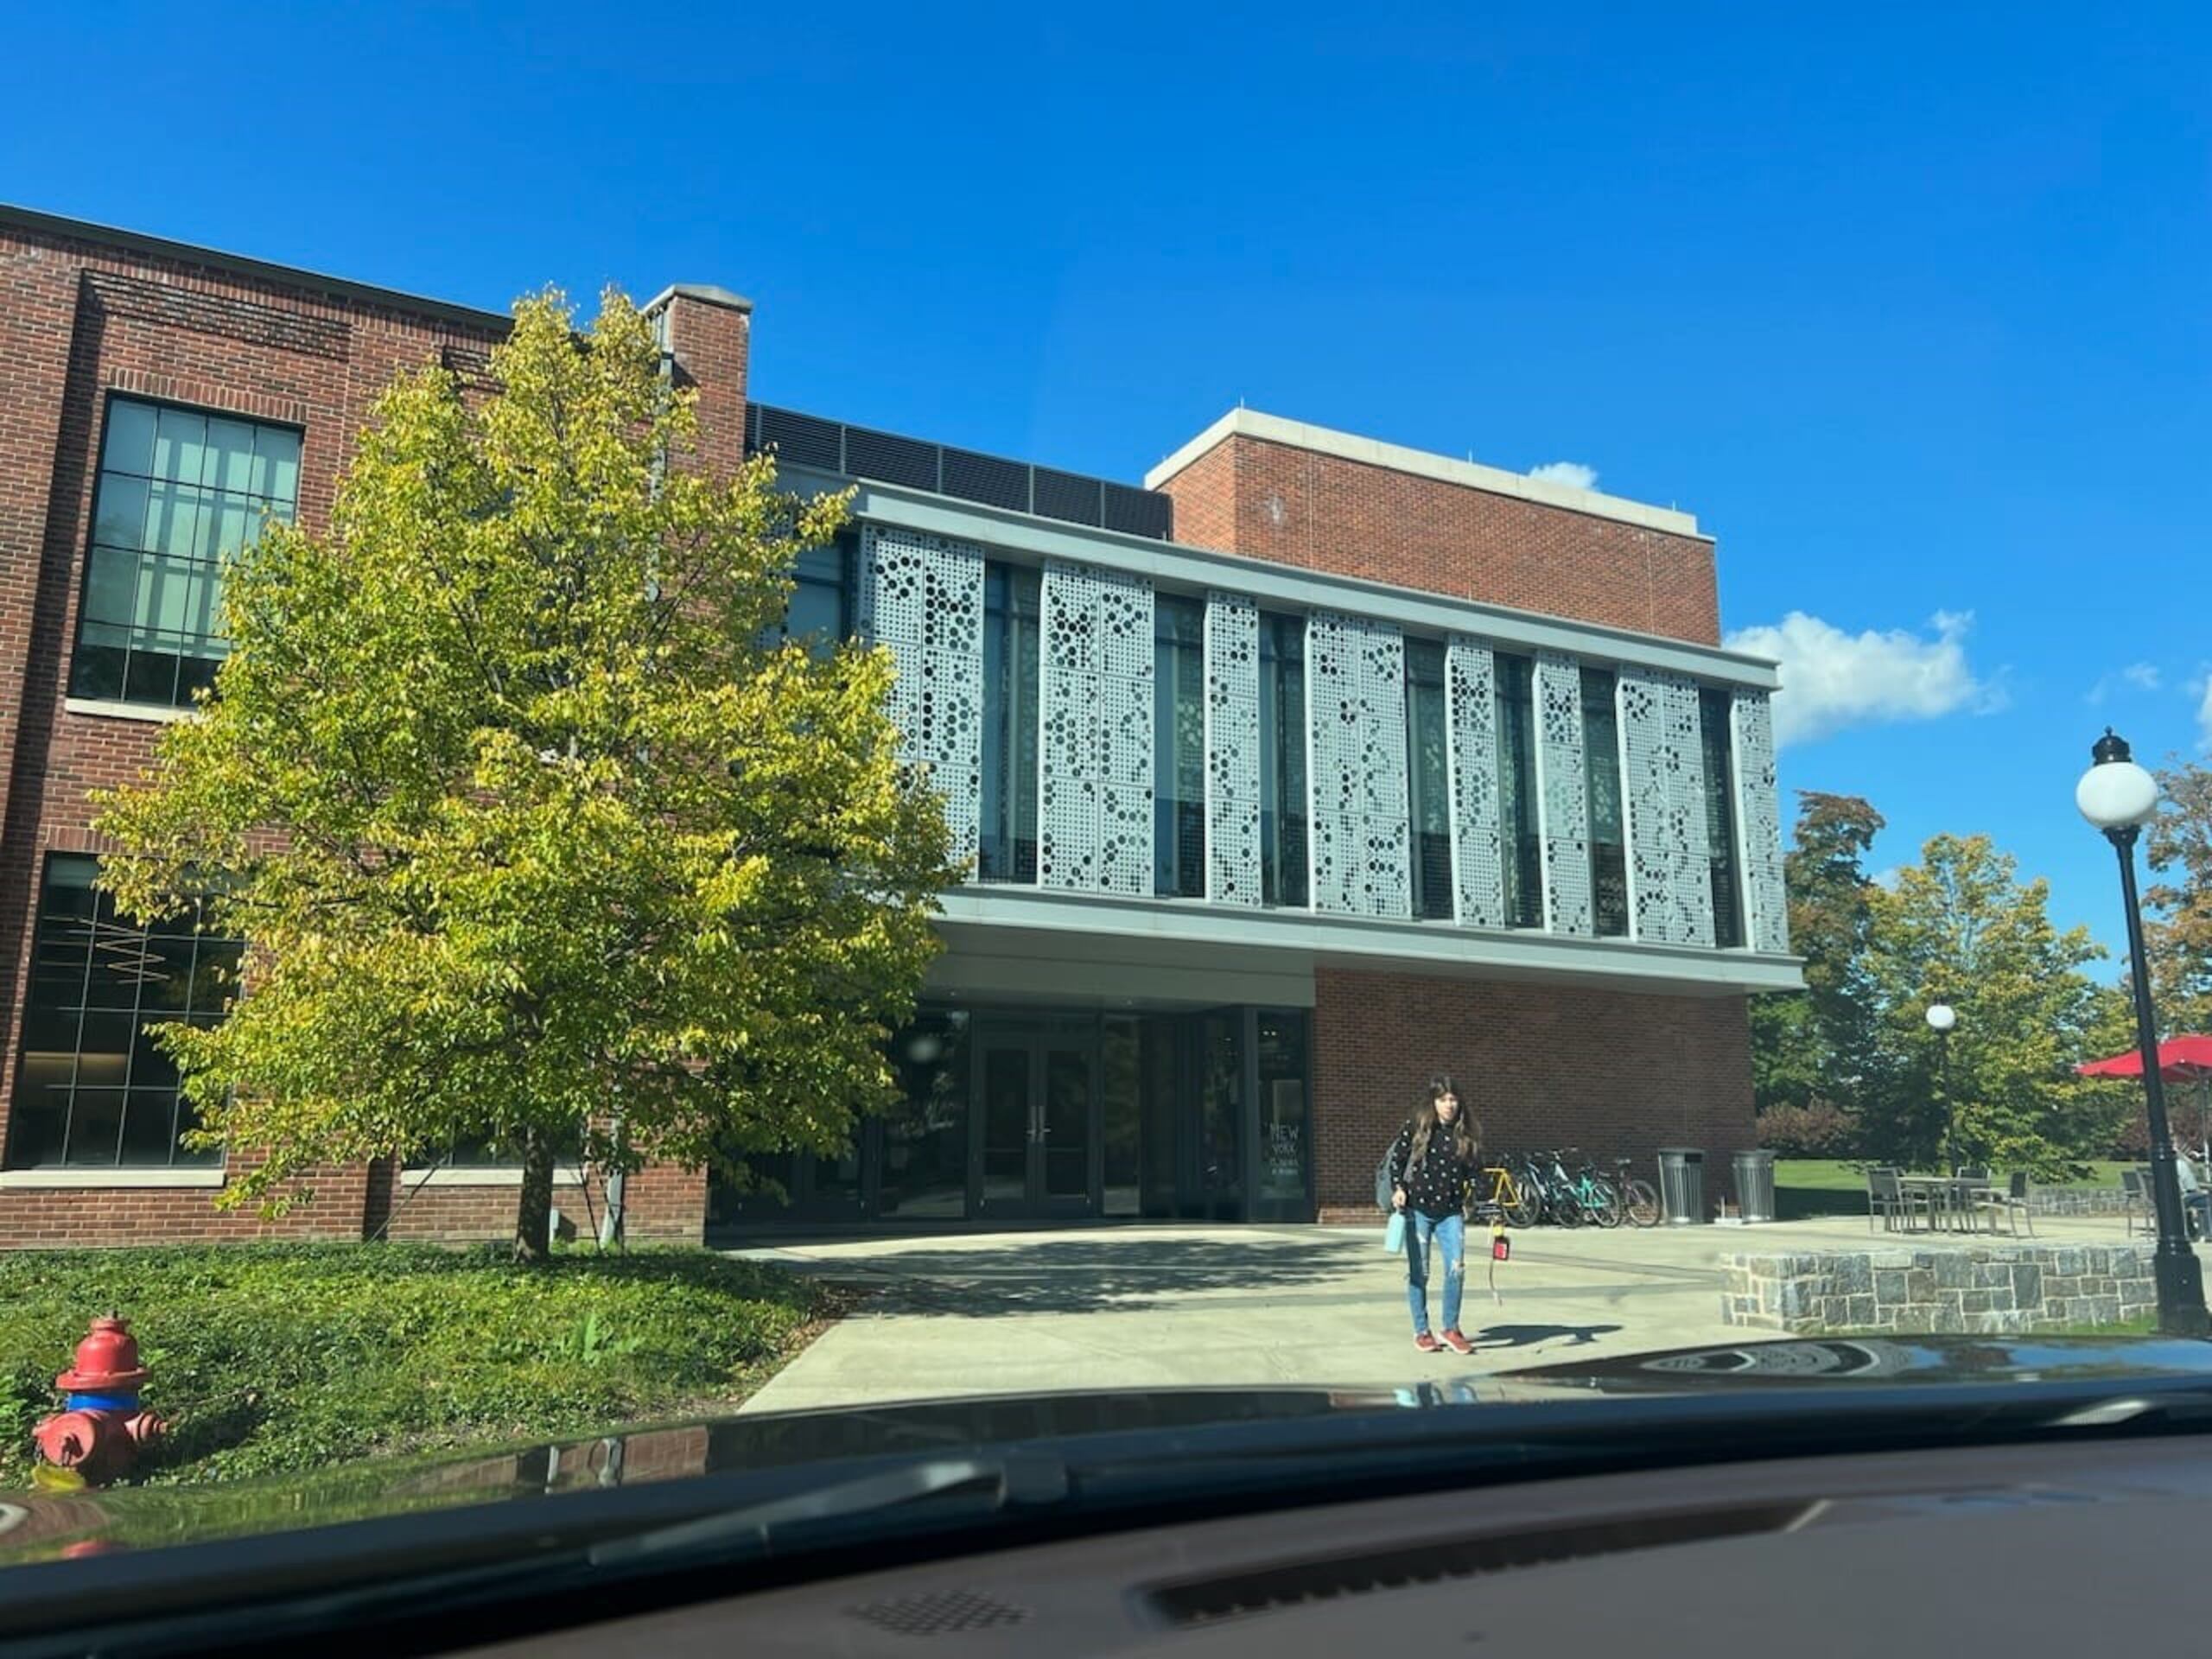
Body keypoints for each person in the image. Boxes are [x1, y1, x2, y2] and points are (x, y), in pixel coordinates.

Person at [1388, 1075, 1480, 1354]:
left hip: (1451, 1211)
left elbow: (1475, 1170)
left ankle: (1451, 1328)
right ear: (1433, 1102)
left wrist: (1479, 1196)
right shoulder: (1419, 1126)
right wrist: (1398, 1188)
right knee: (1421, 1271)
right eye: (1443, 1099)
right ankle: (1422, 1330)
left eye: (1453, 1099)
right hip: (1418, 1210)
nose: (1449, 1105)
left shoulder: (1466, 1133)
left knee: (1456, 1269)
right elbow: (1397, 1159)